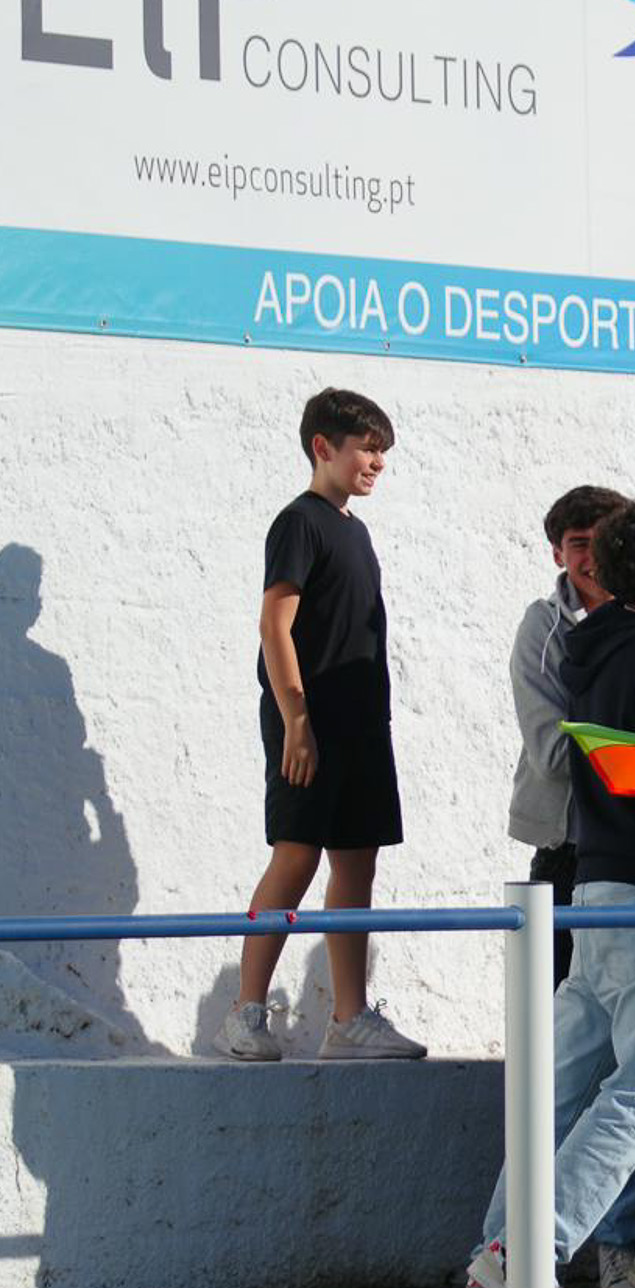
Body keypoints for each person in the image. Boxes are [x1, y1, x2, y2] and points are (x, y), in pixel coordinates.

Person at [465, 497, 635, 1288]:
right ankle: (524, 1255)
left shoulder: (597, 649)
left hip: (599, 887)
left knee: (558, 1088)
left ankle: (495, 1260)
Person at [215, 388, 424, 1063]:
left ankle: (349, 1016)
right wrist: (296, 718)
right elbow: (275, 623)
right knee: (298, 852)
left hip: (362, 724)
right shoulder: (299, 522)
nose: (377, 462)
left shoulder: (355, 531)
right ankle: (245, 1011)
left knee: (356, 860)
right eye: (366, 447)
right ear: (323, 447)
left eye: (383, 451)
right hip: (310, 723)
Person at [508, 485, 629, 988]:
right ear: (557, 552)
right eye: (579, 543)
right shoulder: (542, 627)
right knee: (550, 1005)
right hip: (568, 847)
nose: (593, 555)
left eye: (606, 541)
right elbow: (554, 753)